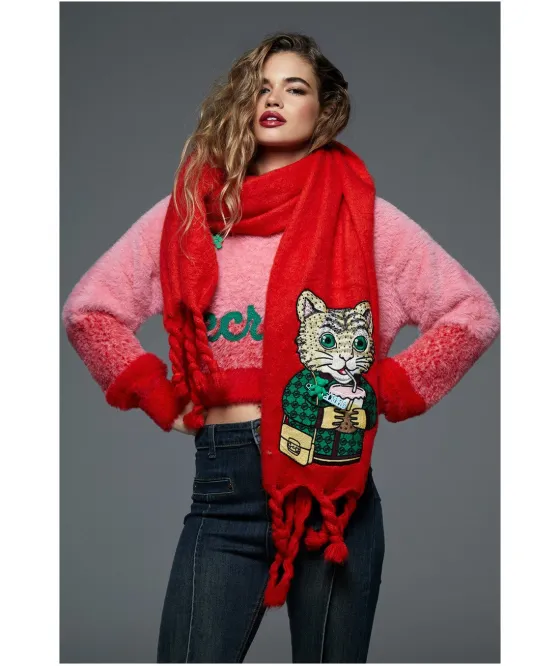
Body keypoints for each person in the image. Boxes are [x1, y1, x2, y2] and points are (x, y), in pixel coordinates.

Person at [62, 32, 500, 663]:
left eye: (295, 88)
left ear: (325, 110)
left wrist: (381, 388)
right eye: (260, 88)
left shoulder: (363, 217)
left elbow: (472, 314)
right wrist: (160, 395)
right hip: (224, 492)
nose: (274, 100)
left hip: (334, 501)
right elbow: (89, 311)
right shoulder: (190, 213)